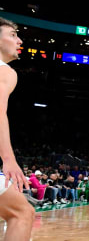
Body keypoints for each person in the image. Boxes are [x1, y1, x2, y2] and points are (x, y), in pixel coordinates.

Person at [0, 17, 35, 241]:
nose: (19, 40)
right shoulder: (5, 71)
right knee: (22, 213)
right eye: (13, 35)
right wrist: (9, 158)